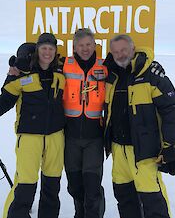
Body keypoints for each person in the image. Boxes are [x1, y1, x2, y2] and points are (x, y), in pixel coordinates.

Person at [0, 33, 66, 218]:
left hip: (55, 137)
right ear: (37, 50)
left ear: (55, 51)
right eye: (43, 48)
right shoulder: (24, 75)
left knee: (52, 186)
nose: (47, 52)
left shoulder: (61, 74)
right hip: (29, 137)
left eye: (51, 49)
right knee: (25, 185)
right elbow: (5, 100)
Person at [103, 34, 175, 218]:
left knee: (152, 199)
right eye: (115, 52)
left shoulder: (151, 75)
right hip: (118, 150)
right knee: (125, 198)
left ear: (133, 48)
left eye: (123, 50)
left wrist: (170, 146)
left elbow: (170, 110)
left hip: (145, 151)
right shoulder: (111, 77)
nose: (120, 55)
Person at [63, 28, 107, 218]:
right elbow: (41, 67)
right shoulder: (64, 65)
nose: (85, 48)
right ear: (74, 47)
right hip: (70, 136)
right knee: (74, 185)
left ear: (95, 44)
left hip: (94, 137)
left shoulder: (105, 66)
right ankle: (79, 212)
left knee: (92, 184)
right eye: (81, 45)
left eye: (89, 44)